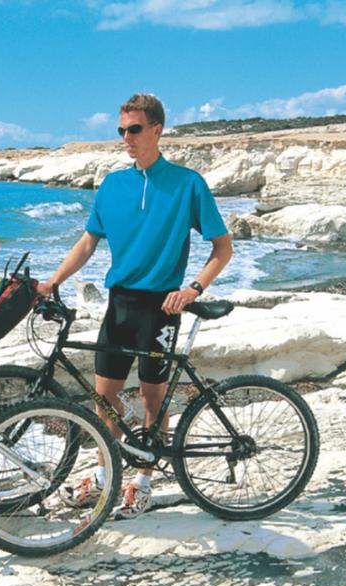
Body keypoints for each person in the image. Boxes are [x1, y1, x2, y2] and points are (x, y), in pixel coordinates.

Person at [37, 93, 232, 520]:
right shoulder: (112, 185)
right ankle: (108, 476)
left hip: (160, 307)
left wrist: (193, 289)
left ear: (157, 129)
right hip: (119, 302)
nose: (126, 137)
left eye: (135, 129)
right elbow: (89, 242)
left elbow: (222, 247)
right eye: (121, 130)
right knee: (103, 398)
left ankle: (143, 482)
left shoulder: (187, 183)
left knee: (151, 400)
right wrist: (53, 280)